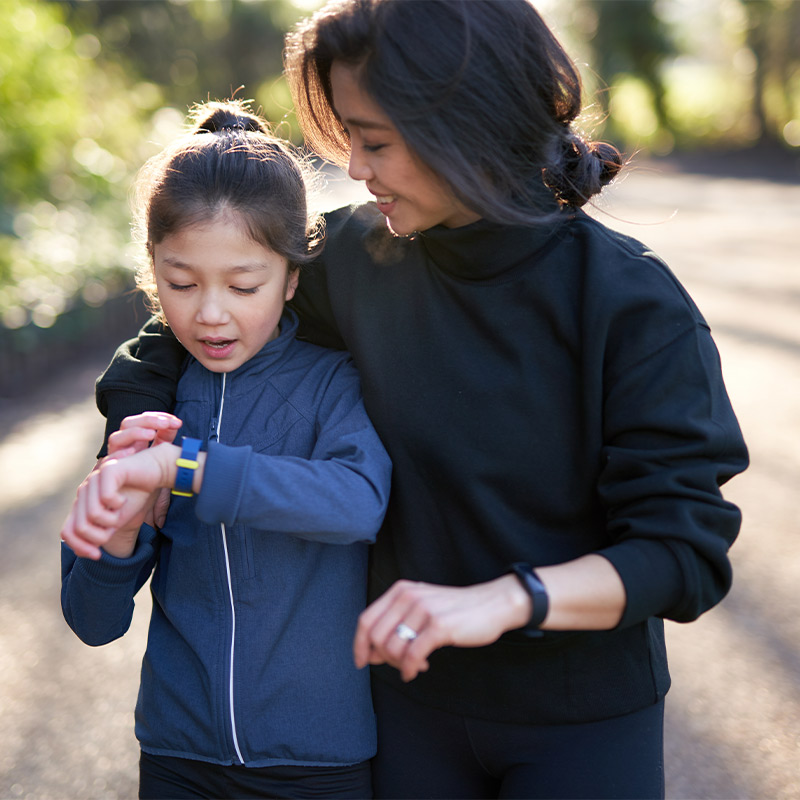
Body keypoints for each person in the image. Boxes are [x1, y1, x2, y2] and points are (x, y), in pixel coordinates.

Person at [93, 2, 749, 798]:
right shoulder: (359, 258)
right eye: (348, 140)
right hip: (404, 716)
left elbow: (683, 554)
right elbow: (193, 319)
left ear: (464, 126)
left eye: (373, 142)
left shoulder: (627, 301)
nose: (356, 169)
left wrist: (509, 600)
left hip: (581, 719)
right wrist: (132, 441)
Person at [60, 99, 392, 800]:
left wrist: (189, 471)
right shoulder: (150, 407)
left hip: (320, 764)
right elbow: (92, 622)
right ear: (153, 275)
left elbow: (358, 503)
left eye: (244, 285)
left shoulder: (333, 382)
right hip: (178, 756)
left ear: (293, 276)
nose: (211, 312)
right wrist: (118, 536)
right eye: (181, 284)